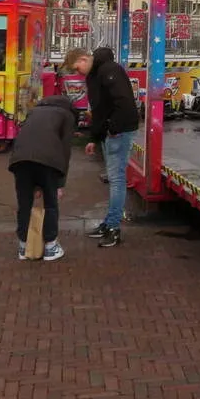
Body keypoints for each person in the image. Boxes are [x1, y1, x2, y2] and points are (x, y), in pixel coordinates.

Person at [69, 46, 139, 248]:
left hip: (119, 131)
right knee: (115, 179)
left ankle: (114, 228)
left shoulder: (109, 71)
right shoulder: (97, 74)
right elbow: (99, 109)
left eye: (77, 68)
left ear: (84, 59)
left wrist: (112, 128)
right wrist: (95, 136)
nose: (77, 73)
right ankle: (109, 223)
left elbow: (124, 101)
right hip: (112, 131)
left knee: (116, 179)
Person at [9, 93, 78, 262]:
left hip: (19, 159)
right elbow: (65, 150)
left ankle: (24, 246)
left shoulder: (34, 111)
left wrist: (35, 185)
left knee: (24, 203)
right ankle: (50, 246)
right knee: (51, 204)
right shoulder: (66, 115)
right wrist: (60, 184)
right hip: (49, 160)